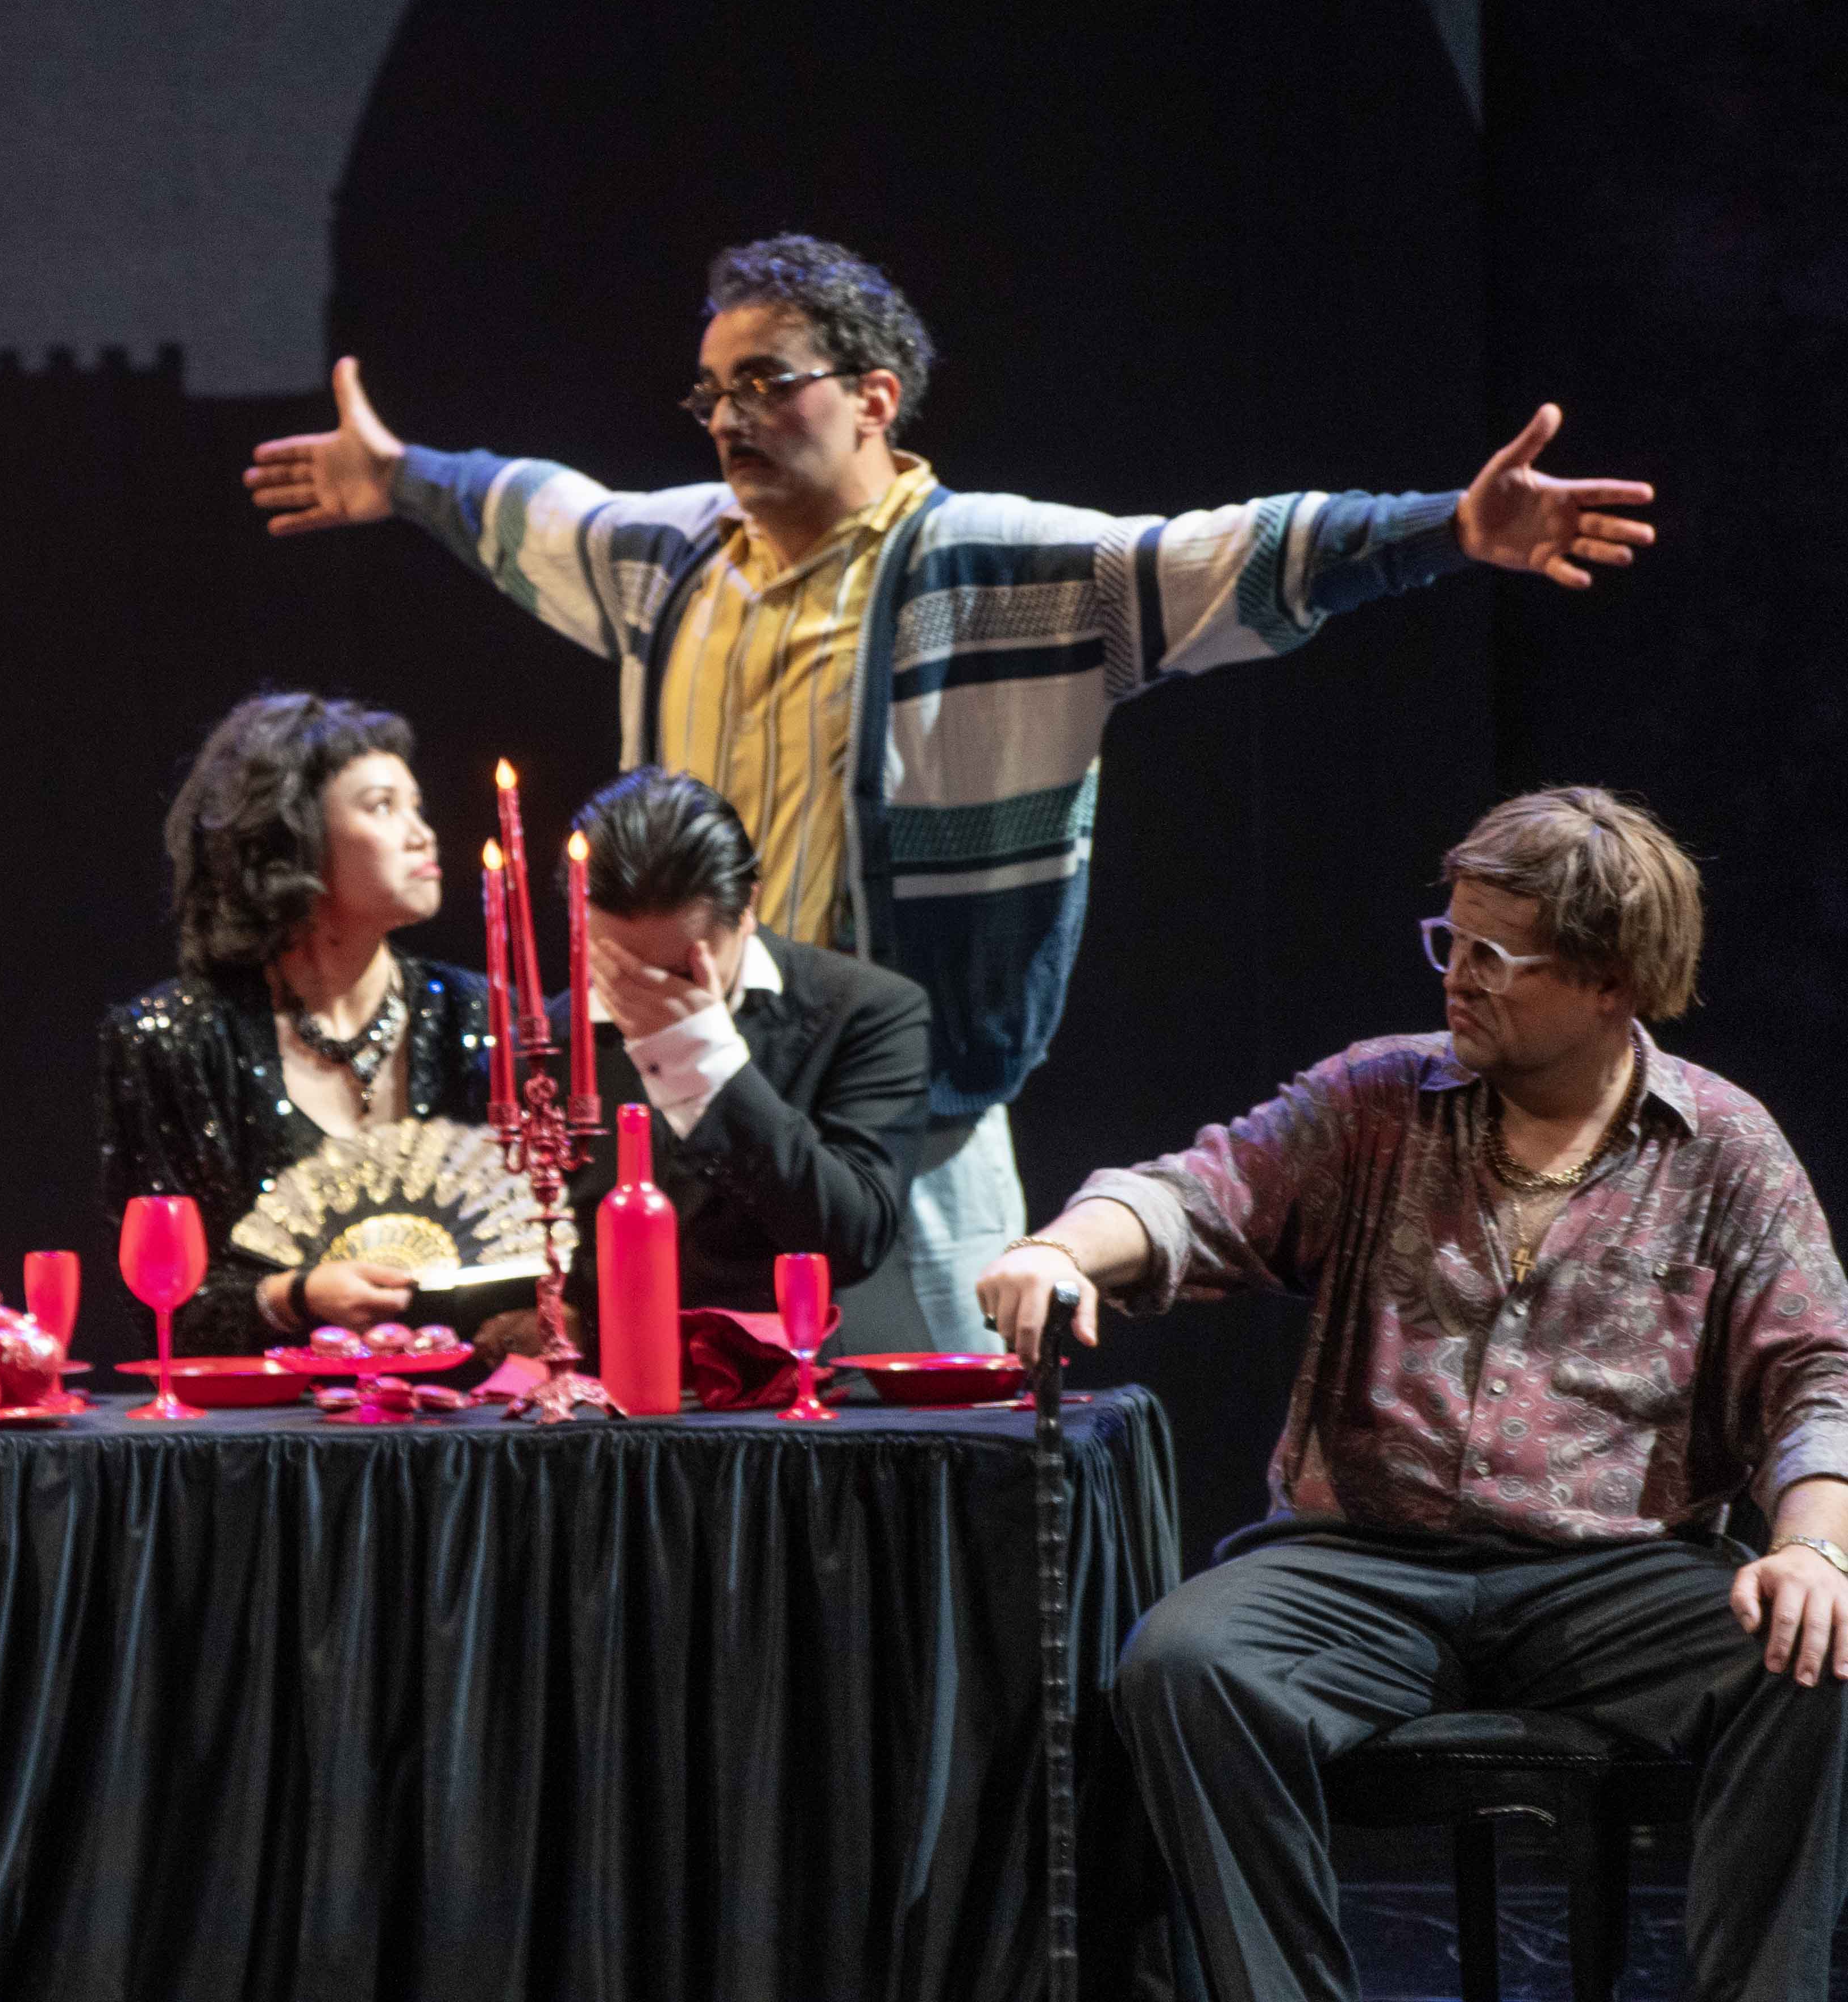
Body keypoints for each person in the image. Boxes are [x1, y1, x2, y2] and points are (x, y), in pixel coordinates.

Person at [244, 230, 1660, 1348]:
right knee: (685, 1454)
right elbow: (529, 507)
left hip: (902, 1117)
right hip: (685, 1101)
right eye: (711, 391)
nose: (729, 415)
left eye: (765, 381)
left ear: (874, 395)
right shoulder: (664, 561)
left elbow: (1223, 555)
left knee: (941, 1446)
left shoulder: (997, 568)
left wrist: (1446, 530)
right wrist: (401, 475)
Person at [979, 790, 1848, 2002]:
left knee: (1813, 1651)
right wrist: (1061, 1248)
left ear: (1609, 980)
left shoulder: (1722, 1147)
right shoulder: (1375, 1100)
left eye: (1495, 954)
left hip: (1614, 1576)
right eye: (1451, 939)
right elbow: (1194, 1192)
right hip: (1365, 1565)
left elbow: (1813, 1372)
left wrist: (1813, 1546)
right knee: (1182, 1663)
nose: (1457, 976)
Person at [95, 692, 525, 1359]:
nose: (422, 833)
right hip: (271, 1415)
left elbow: (541, 1247)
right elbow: (161, 1300)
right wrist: (292, 1297)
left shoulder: (486, 1016)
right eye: (381, 807)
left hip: (466, 1407)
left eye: (416, 806)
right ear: (293, 840)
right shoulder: (172, 1040)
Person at [554, 766, 931, 1344]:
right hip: (625, 1377)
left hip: (811, 1368)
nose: (647, 995)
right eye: (617, 969)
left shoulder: (869, 1010)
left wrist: (700, 1058)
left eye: (678, 973)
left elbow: (853, 1238)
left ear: (748, 906)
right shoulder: (552, 1036)